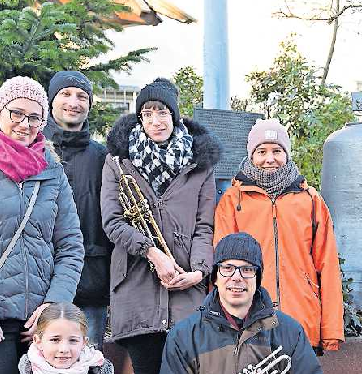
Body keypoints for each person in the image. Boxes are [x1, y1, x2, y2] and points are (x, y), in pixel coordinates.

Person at [100, 78, 220, 374]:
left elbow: (204, 226)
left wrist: (198, 272)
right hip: (136, 288)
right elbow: (112, 222)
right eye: (147, 113)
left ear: (174, 115)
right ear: (139, 118)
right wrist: (153, 253)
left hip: (185, 290)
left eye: (162, 112)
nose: (156, 121)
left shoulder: (200, 164)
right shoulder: (117, 162)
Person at [214, 118, 344, 353]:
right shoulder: (232, 201)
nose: (269, 158)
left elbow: (328, 266)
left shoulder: (311, 201)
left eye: (277, 151)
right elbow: (222, 269)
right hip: (248, 323)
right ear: (251, 155)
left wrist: (331, 331)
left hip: (302, 321)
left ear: (287, 154)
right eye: (261, 151)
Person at [0, 76, 84, 373]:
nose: (24, 124)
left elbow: (70, 245)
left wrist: (54, 305)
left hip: (40, 322)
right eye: (16, 113)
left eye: (34, 117)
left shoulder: (53, 171)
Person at [160, 233, 322, 374]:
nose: (237, 277)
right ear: (215, 277)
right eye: (227, 268)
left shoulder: (290, 331)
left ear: (257, 279)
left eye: (247, 269)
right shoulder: (183, 336)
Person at [44, 71, 113, 351]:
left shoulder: (102, 157)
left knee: (88, 359)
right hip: (40, 284)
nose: (74, 102)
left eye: (82, 96)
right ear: (51, 100)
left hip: (91, 284)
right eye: (66, 94)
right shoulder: (35, 150)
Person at [18, 302, 114, 374]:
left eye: (73, 340)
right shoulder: (29, 369)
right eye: (55, 340)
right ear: (38, 341)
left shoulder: (96, 369)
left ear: (84, 343)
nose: (64, 349)